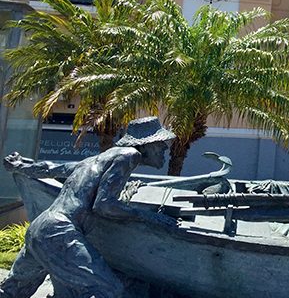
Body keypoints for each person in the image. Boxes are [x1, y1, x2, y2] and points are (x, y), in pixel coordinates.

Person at [0, 116, 176, 298]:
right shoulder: (129, 155)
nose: (165, 147)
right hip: (59, 231)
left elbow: (52, 168)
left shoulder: (98, 159)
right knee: (109, 290)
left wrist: (21, 165)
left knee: (11, 291)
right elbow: (104, 205)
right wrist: (150, 217)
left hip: (41, 227)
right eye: (160, 142)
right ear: (144, 145)